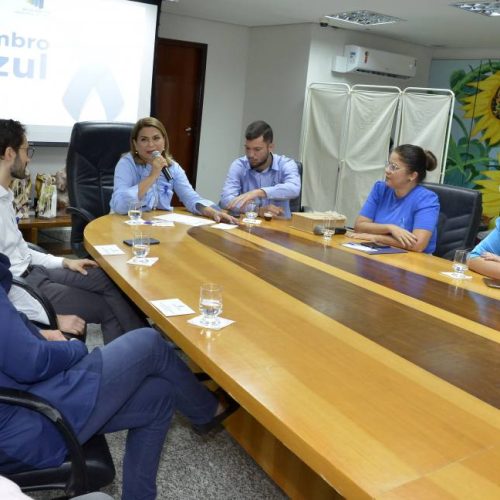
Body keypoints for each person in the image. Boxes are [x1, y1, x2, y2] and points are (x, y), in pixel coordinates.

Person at [0, 252, 238, 500]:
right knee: (148, 342)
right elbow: (32, 363)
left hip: (24, 404)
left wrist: (39, 336)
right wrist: (74, 348)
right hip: (26, 426)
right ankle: (207, 411)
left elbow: (15, 341)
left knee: (158, 395)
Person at [0, 118, 147, 343]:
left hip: (36, 271)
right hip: (27, 288)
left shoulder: (5, 196)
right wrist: (48, 316)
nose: (28, 157)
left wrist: (65, 262)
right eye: (26, 150)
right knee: (105, 307)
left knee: (107, 278)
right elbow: (5, 288)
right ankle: (137, 354)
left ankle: (146, 343)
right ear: (10, 153)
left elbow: (22, 251)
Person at [110, 117, 237, 224]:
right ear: (135, 144)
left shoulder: (172, 167)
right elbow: (120, 205)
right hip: (124, 224)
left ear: (164, 141)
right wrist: (152, 176)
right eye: (144, 139)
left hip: (156, 225)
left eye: (156, 138)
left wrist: (211, 212)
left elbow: (190, 198)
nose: (151, 144)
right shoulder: (126, 164)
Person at [351, 144, 440, 253]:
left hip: (414, 263)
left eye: (394, 167)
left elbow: (418, 245)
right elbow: (359, 227)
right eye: (388, 164)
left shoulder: (426, 199)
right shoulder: (380, 189)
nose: (387, 170)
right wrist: (390, 228)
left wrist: (377, 237)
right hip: (380, 254)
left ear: (412, 176)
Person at [219, 120, 301, 219]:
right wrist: (256, 210)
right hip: (248, 228)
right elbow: (226, 200)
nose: (250, 155)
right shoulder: (239, 165)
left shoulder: (286, 164)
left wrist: (259, 192)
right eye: (247, 148)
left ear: (270, 147)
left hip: (279, 228)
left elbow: (294, 188)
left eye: (257, 149)